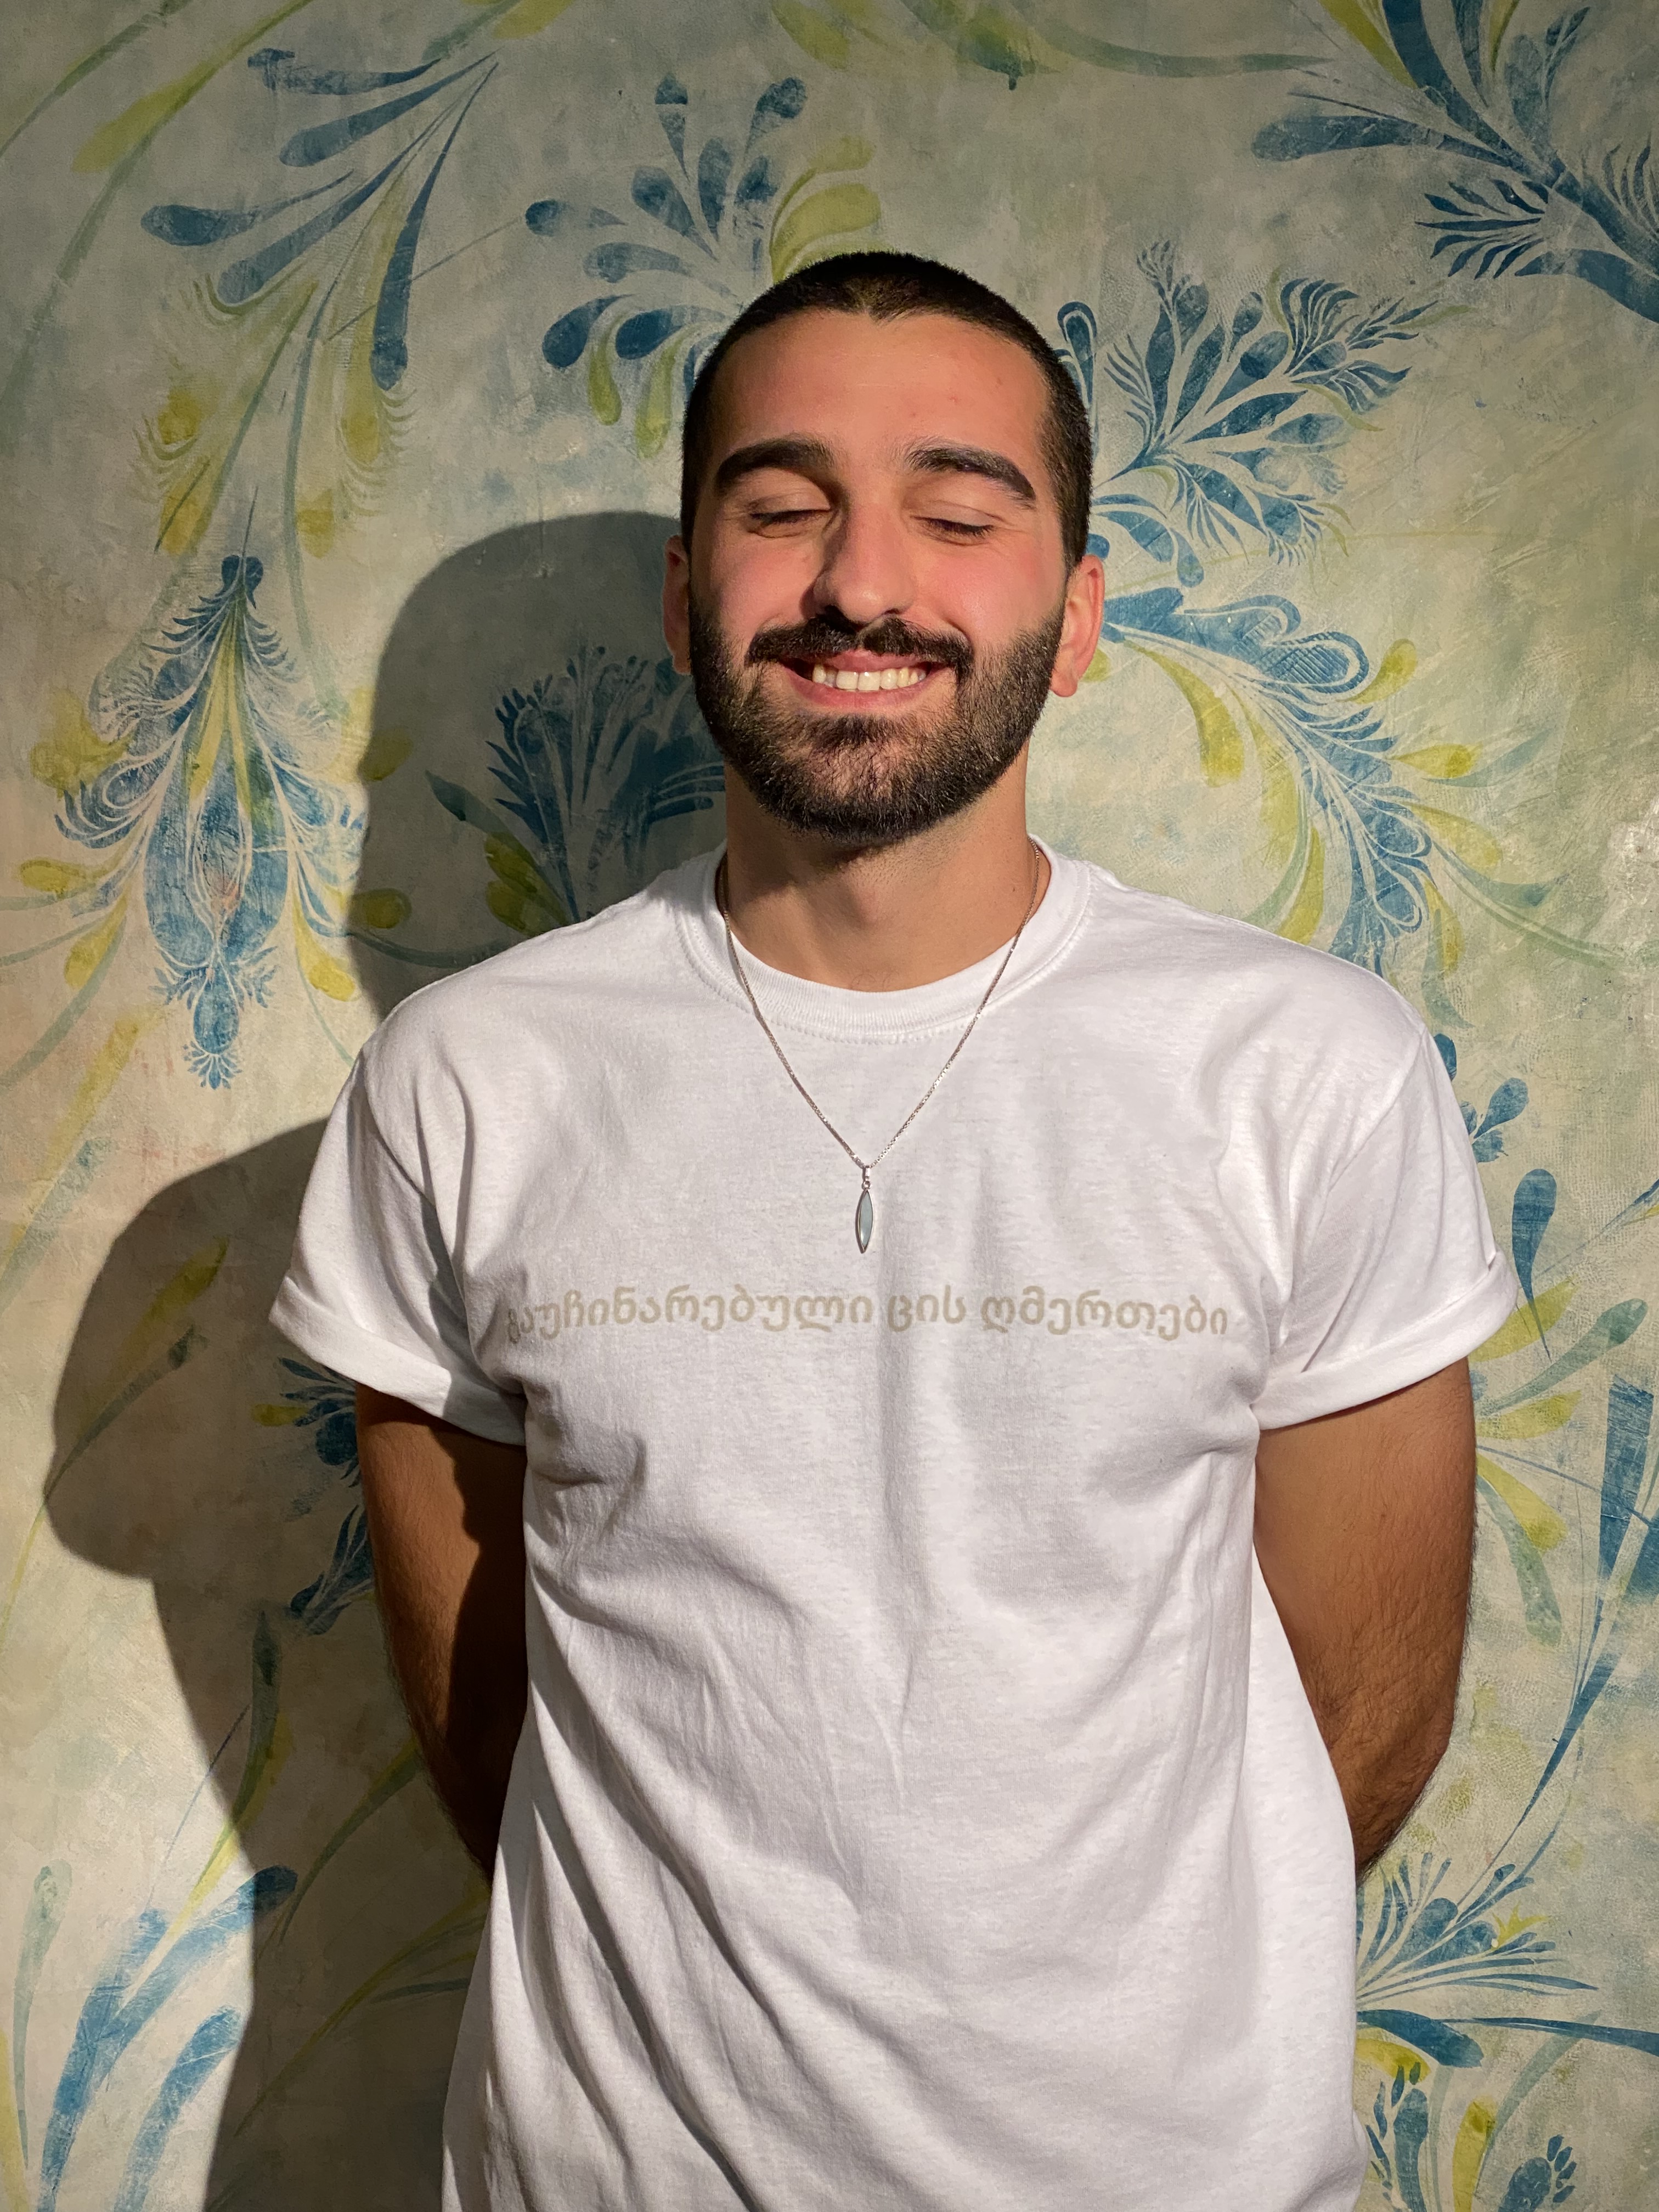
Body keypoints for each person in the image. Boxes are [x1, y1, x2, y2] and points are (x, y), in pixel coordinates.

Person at [272, 251, 1517, 2211]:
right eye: (783, 508)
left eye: (958, 513)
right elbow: (488, 1715)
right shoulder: (467, 1081)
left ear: (1078, 614)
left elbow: (1358, 1710)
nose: (863, 585)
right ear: (685, 599)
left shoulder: (1308, 1071)